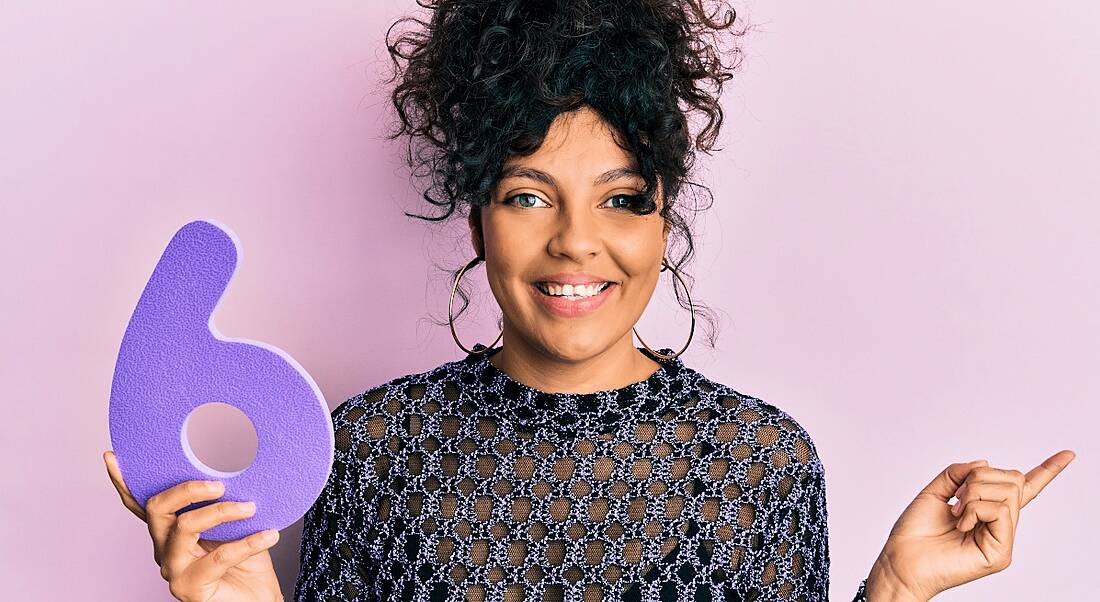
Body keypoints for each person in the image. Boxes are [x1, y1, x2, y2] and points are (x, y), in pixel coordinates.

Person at [104, 1, 1076, 600]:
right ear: (477, 215)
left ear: (662, 221)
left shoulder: (757, 463)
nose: (575, 239)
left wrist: (899, 587)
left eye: (619, 198)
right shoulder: (369, 449)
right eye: (527, 194)